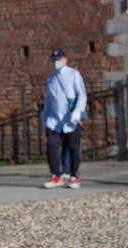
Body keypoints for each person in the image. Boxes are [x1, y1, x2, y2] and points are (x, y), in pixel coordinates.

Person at [41, 49, 87, 189]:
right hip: (54, 121)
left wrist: (78, 111)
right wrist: (45, 118)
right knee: (52, 146)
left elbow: (81, 94)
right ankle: (56, 175)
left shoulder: (73, 74)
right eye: (54, 60)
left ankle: (74, 176)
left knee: (74, 148)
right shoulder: (52, 78)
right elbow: (49, 100)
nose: (56, 62)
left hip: (70, 120)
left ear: (65, 60)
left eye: (59, 59)